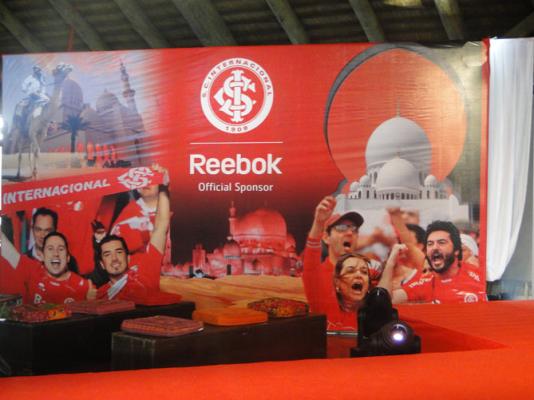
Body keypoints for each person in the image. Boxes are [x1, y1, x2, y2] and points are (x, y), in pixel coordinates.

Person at [96, 167, 181, 305]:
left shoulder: (144, 275)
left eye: (151, 179)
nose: (145, 183)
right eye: (141, 179)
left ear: (127, 257)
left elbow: (161, 226)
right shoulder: (99, 294)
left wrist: (164, 186)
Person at [302, 196, 380, 331]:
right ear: (326, 237)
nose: (350, 232)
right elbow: (311, 257)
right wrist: (319, 222)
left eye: (354, 229)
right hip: (331, 343)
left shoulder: (370, 275)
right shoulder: (317, 275)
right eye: (341, 228)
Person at [380, 221, 486, 304]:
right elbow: (383, 300)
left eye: (441, 242)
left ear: (456, 250)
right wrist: (390, 263)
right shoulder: (425, 283)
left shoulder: (478, 272)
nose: (434, 247)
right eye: (430, 244)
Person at [1, 231, 95, 304]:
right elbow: (8, 251)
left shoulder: (84, 286)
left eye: (61, 249)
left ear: (67, 258)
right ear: (42, 256)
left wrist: (90, 303)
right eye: (50, 249)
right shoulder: (33, 271)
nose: (55, 253)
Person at [25, 207, 80, 273]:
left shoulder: (68, 261)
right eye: (38, 230)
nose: (42, 235)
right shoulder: (23, 261)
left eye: (47, 230)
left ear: (56, 231)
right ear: (32, 229)